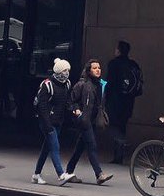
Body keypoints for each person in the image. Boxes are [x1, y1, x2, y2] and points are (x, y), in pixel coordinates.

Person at [65, 59, 113, 185]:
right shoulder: (82, 84)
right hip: (84, 120)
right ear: (89, 70)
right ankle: (99, 174)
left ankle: (69, 171)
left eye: (99, 68)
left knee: (80, 147)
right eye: (94, 68)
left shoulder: (101, 85)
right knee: (92, 146)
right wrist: (77, 110)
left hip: (93, 120)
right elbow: (71, 100)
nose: (98, 70)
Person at [32, 57, 75, 185]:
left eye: (68, 70)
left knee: (47, 148)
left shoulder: (67, 84)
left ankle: (36, 174)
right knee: (55, 146)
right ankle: (61, 174)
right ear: (58, 71)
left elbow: (67, 102)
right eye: (64, 70)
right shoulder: (47, 85)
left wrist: (73, 110)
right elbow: (42, 106)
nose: (66, 73)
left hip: (58, 121)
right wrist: (47, 124)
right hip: (47, 122)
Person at [104, 40, 142, 164]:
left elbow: (110, 83)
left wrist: (105, 98)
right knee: (122, 125)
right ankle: (119, 154)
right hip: (128, 101)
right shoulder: (133, 64)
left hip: (115, 100)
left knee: (113, 124)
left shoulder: (114, 64)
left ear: (119, 50)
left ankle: (120, 145)